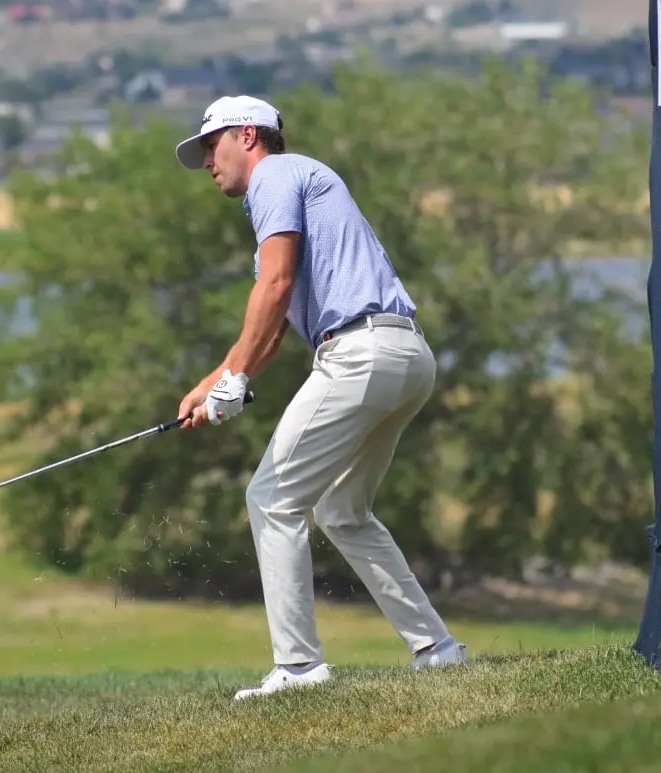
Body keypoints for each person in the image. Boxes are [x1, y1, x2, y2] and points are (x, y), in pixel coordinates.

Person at [174, 95, 468, 700]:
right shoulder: (293, 189)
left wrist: (236, 382)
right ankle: (438, 650)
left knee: (272, 498)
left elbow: (276, 285)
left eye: (211, 144)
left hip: (359, 354)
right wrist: (214, 382)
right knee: (342, 511)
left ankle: (300, 668)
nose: (207, 161)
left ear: (247, 135)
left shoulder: (276, 175)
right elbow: (273, 325)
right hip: (405, 355)